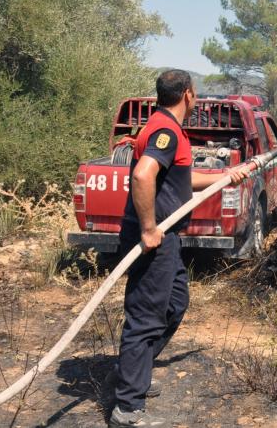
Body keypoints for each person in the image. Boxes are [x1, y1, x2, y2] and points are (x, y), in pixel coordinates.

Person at [110, 70, 252, 428]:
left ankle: (133, 370)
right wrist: (148, 229)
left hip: (167, 237)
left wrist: (225, 175)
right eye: (196, 92)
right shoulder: (166, 131)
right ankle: (127, 408)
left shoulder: (165, 126)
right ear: (187, 94)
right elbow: (143, 175)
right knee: (146, 316)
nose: (197, 96)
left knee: (175, 303)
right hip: (154, 238)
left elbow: (179, 178)